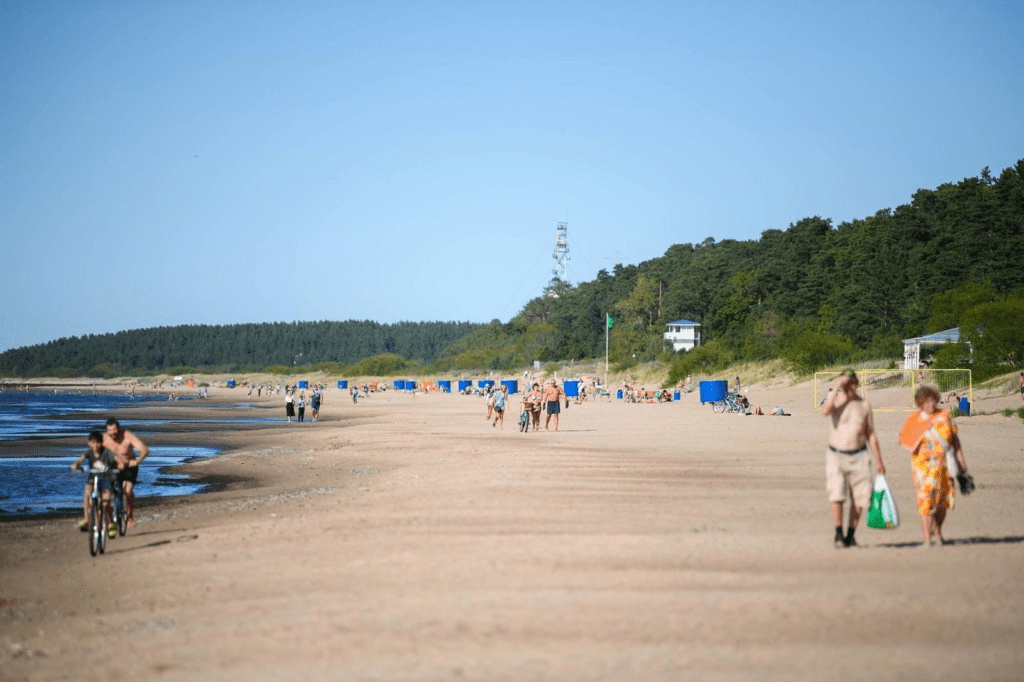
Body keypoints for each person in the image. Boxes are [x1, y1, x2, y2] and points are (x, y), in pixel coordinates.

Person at [820, 370, 886, 549]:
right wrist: (837, 387)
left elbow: (870, 433)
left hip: (859, 455)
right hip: (836, 455)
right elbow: (825, 411)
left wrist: (879, 460)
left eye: (853, 383)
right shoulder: (836, 401)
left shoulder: (864, 404)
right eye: (848, 383)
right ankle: (838, 533)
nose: (852, 386)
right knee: (837, 495)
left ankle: (850, 535)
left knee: (860, 498)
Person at [901, 384, 969, 546]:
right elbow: (905, 439)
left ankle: (938, 531)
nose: (932, 404)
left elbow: (955, 439)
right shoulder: (914, 419)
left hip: (944, 465)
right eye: (928, 401)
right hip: (922, 468)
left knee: (942, 503)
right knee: (925, 502)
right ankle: (927, 537)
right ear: (920, 403)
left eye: (933, 400)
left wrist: (961, 459)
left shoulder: (945, 416)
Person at [103, 418, 149, 529]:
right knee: (106, 493)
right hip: (113, 468)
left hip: (129, 467)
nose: (112, 432)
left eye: (114, 429)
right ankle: (110, 519)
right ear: (107, 430)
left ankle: (130, 517)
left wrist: (137, 461)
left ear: (118, 429)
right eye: (110, 430)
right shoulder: (104, 439)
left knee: (127, 491)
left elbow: (144, 449)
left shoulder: (127, 436)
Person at [70, 430, 117, 536]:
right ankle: (86, 520)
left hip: (105, 479)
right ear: (89, 443)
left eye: (98, 442)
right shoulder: (89, 452)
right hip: (93, 479)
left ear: (101, 443)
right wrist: (76, 465)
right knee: (87, 494)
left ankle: (111, 524)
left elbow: (115, 460)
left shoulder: (106, 452)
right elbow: (80, 459)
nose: (95, 445)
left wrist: (116, 466)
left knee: (105, 502)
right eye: (93, 442)